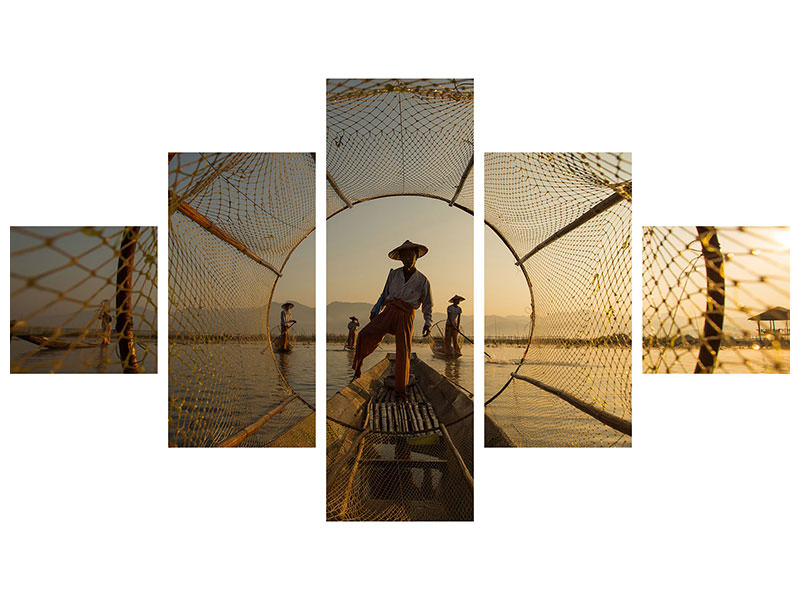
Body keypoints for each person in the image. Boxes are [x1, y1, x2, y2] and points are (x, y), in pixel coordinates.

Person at [352, 240, 433, 400]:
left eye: (411, 255)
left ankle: (400, 391)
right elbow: (384, 294)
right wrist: (376, 309)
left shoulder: (423, 280)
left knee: (403, 351)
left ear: (416, 257)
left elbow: (428, 304)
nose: (408, 259)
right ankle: (358, 367)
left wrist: (428, 322)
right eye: (405, 256)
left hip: (406, 315)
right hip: (390, 310)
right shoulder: (393, 274)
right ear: (401, 258)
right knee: (364, 334)